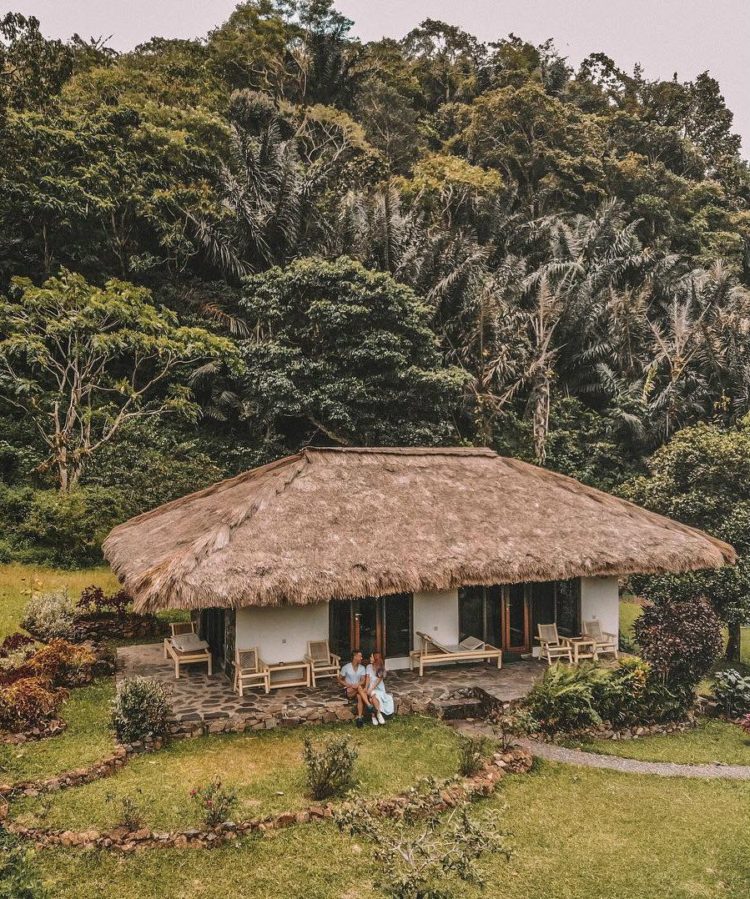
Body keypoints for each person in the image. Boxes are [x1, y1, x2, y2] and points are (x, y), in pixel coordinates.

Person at [337, 649, 368, 727]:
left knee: (359, 696)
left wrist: (357, 684)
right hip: (349, 690)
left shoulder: (362, 668)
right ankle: (369, 705)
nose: (361, 658)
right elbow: (339, 679)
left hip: (358, 690)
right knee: (359, 689)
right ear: (355, 657)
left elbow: (363, 681)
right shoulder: (346, 667)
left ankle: (359, 718)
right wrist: (347, 684)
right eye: (360, 656)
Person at [365, 651, 394, 726]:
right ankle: (378, 714)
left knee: (372, 699)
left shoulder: (381, 668)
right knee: (374, 695)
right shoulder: (368, 666)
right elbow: (367, 678)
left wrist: (371, 689)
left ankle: (374, 716)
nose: (370, 658)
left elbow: (378, 681)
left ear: (375, 658)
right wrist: (366, 688)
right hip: (371, 688)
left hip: (378, 688)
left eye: (371, 657)